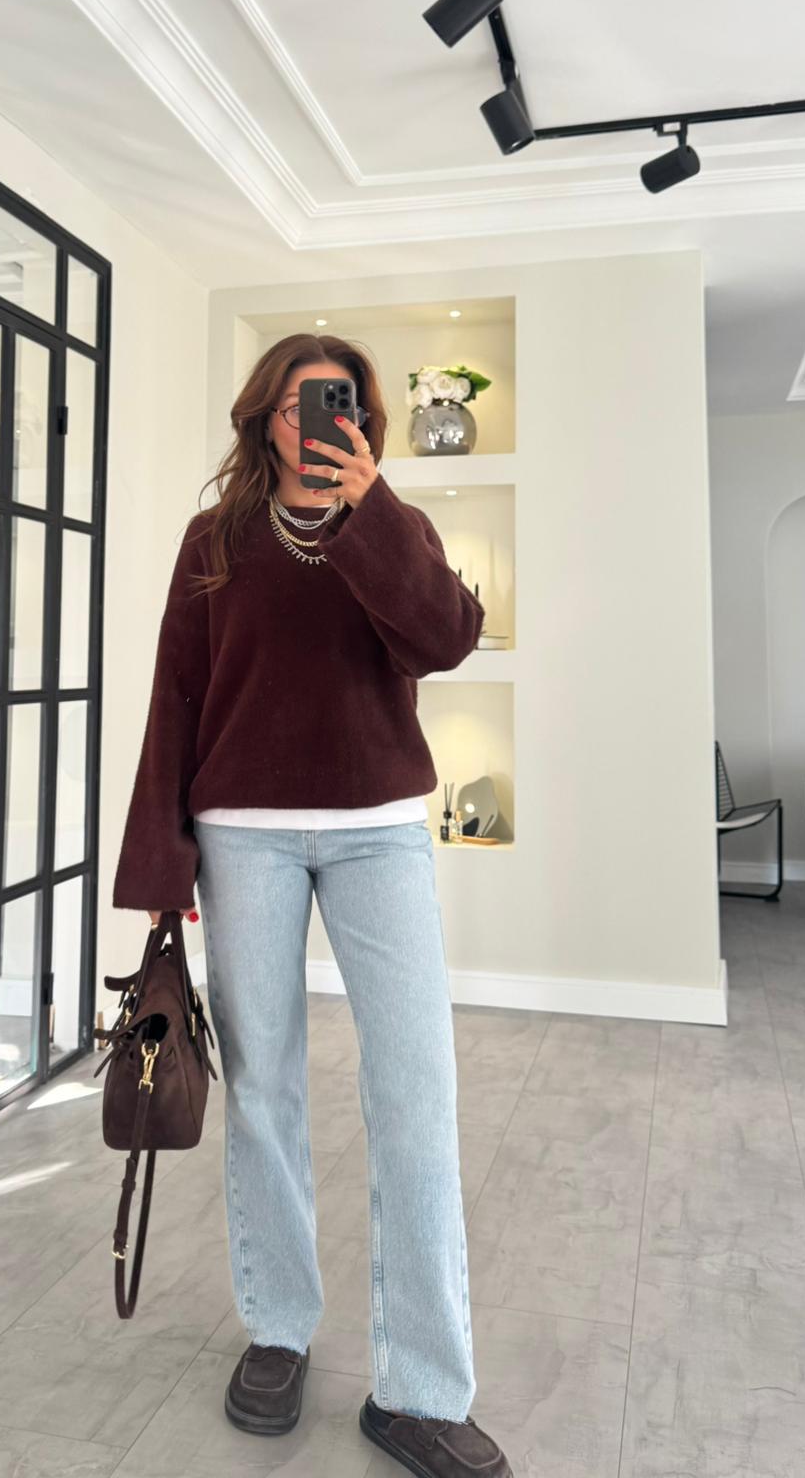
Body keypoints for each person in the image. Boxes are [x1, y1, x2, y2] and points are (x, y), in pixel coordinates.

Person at [112, 334, 514, 1478]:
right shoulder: (214, 541)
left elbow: (445, 637)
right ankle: (279, 1329)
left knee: (415, 1097)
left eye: (342, 407)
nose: (322, 424)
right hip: (242, 837)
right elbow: (174, 700)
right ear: (265, 419)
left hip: (380, 830)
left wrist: (368, 511)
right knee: (266, 1092)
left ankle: (421, 1390)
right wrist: (161, 871)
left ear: (364, 425)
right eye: (302, 405)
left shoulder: (395, 526)